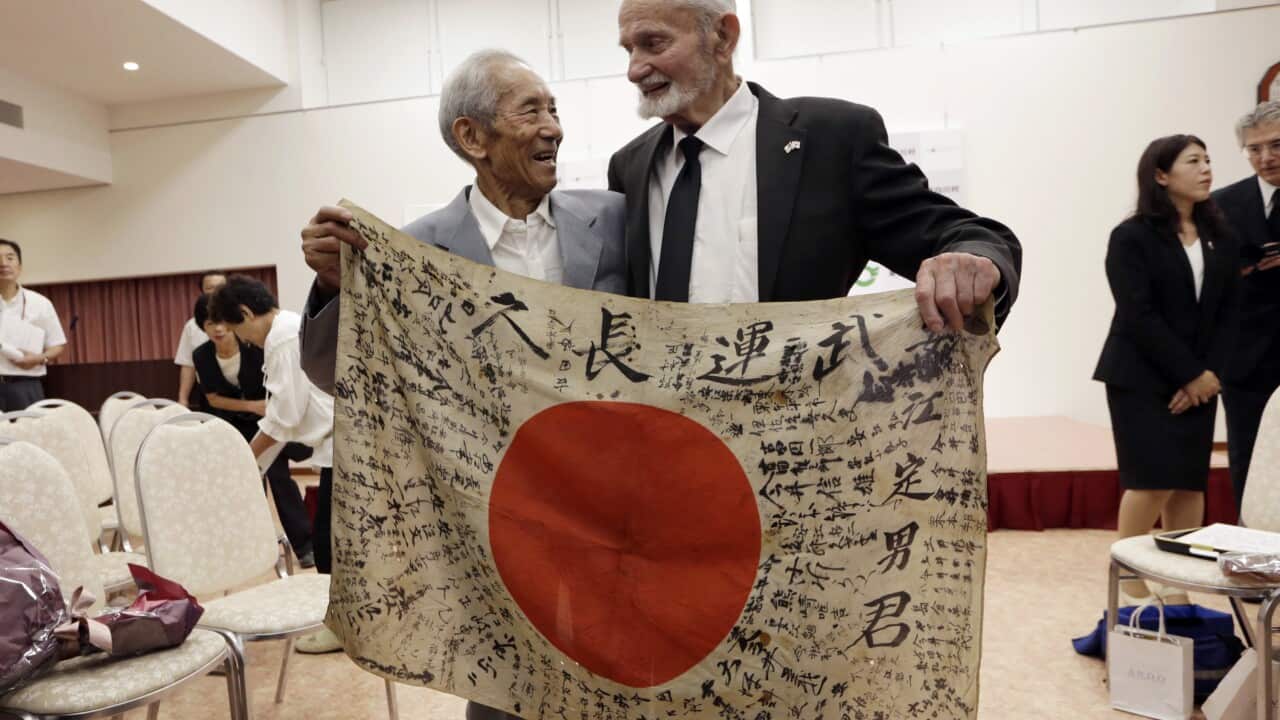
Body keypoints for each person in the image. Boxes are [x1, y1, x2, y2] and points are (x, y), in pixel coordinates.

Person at [297, 50, 627, 718]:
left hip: (610, 507)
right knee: (507, 687)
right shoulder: (412, 250)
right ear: (472, 137)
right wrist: (335, 286)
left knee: (619, 676)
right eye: (530, 110)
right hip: (490, 517)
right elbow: (338, 373)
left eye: (554, 108)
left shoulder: (618, 219)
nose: (553, 127)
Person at [607, 0, 1021, 328]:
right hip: (657, 410)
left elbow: (966, 235)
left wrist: (970, 261)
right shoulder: (630, 168)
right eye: (629, 50)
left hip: (790, 408)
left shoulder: (833, 141)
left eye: (653, 43)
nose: (634, 70)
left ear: (723, 37)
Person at [1093, 135, 1238, 604]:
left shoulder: (1220, 235)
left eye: (1208, 160)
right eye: (1193, 161)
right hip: (1140, 377)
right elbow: (1138, 314)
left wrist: (1209, 375)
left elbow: (1230, 313)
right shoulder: (1131, 237)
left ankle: (1178, 584)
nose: (1206, 169)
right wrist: (1189, 375)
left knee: (1189, 486)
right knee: (1151, 481)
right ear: (1160, 175)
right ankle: (1129, 579)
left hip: (1202, 380)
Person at [207, 276, 337, 653]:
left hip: (341, 445)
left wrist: (243, 464)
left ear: (246, 313)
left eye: (238, 330)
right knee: (332, 541)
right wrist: (253, 468)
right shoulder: (291, 325)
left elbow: (283, 417)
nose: (244, 340)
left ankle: (339, 628)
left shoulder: (281, 339)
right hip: (337, 443)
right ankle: (344, 623)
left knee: (329, 545)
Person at [191, 294, 315, 568]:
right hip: (230, 428)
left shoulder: (257, 345)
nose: (218, 329)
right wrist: (251, 406)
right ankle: (249, 551)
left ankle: (305, 546)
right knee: (243, 487)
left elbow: (280, 401)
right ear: (202, 327)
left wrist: (265, 412)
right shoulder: (201, 355)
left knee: (279, 478)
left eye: (222, 323)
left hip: (267, 425)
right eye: (210, 324)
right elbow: (212, 399)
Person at [1213, 100, 1280, 518]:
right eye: (1255, 149)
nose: (1266, 157)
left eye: (1276, 145)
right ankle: (1249, 546)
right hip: (1246, 359)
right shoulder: (1221, 204)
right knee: (1248, 456)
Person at [0, 239, 68, 411]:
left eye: (9, 258)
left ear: (20, 266)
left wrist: (39, 358)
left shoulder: (40, 303)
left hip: (26, 385)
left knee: (29, 428)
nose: (3, 263)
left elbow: (57, 345)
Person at [175, 271, 228, 407]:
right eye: (210, 288)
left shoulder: (240, 319)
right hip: (208, 392)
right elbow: (188, 364)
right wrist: (183, 399)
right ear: (202, 292)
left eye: (220, 287)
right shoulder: (192, 326)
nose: (216, 292)